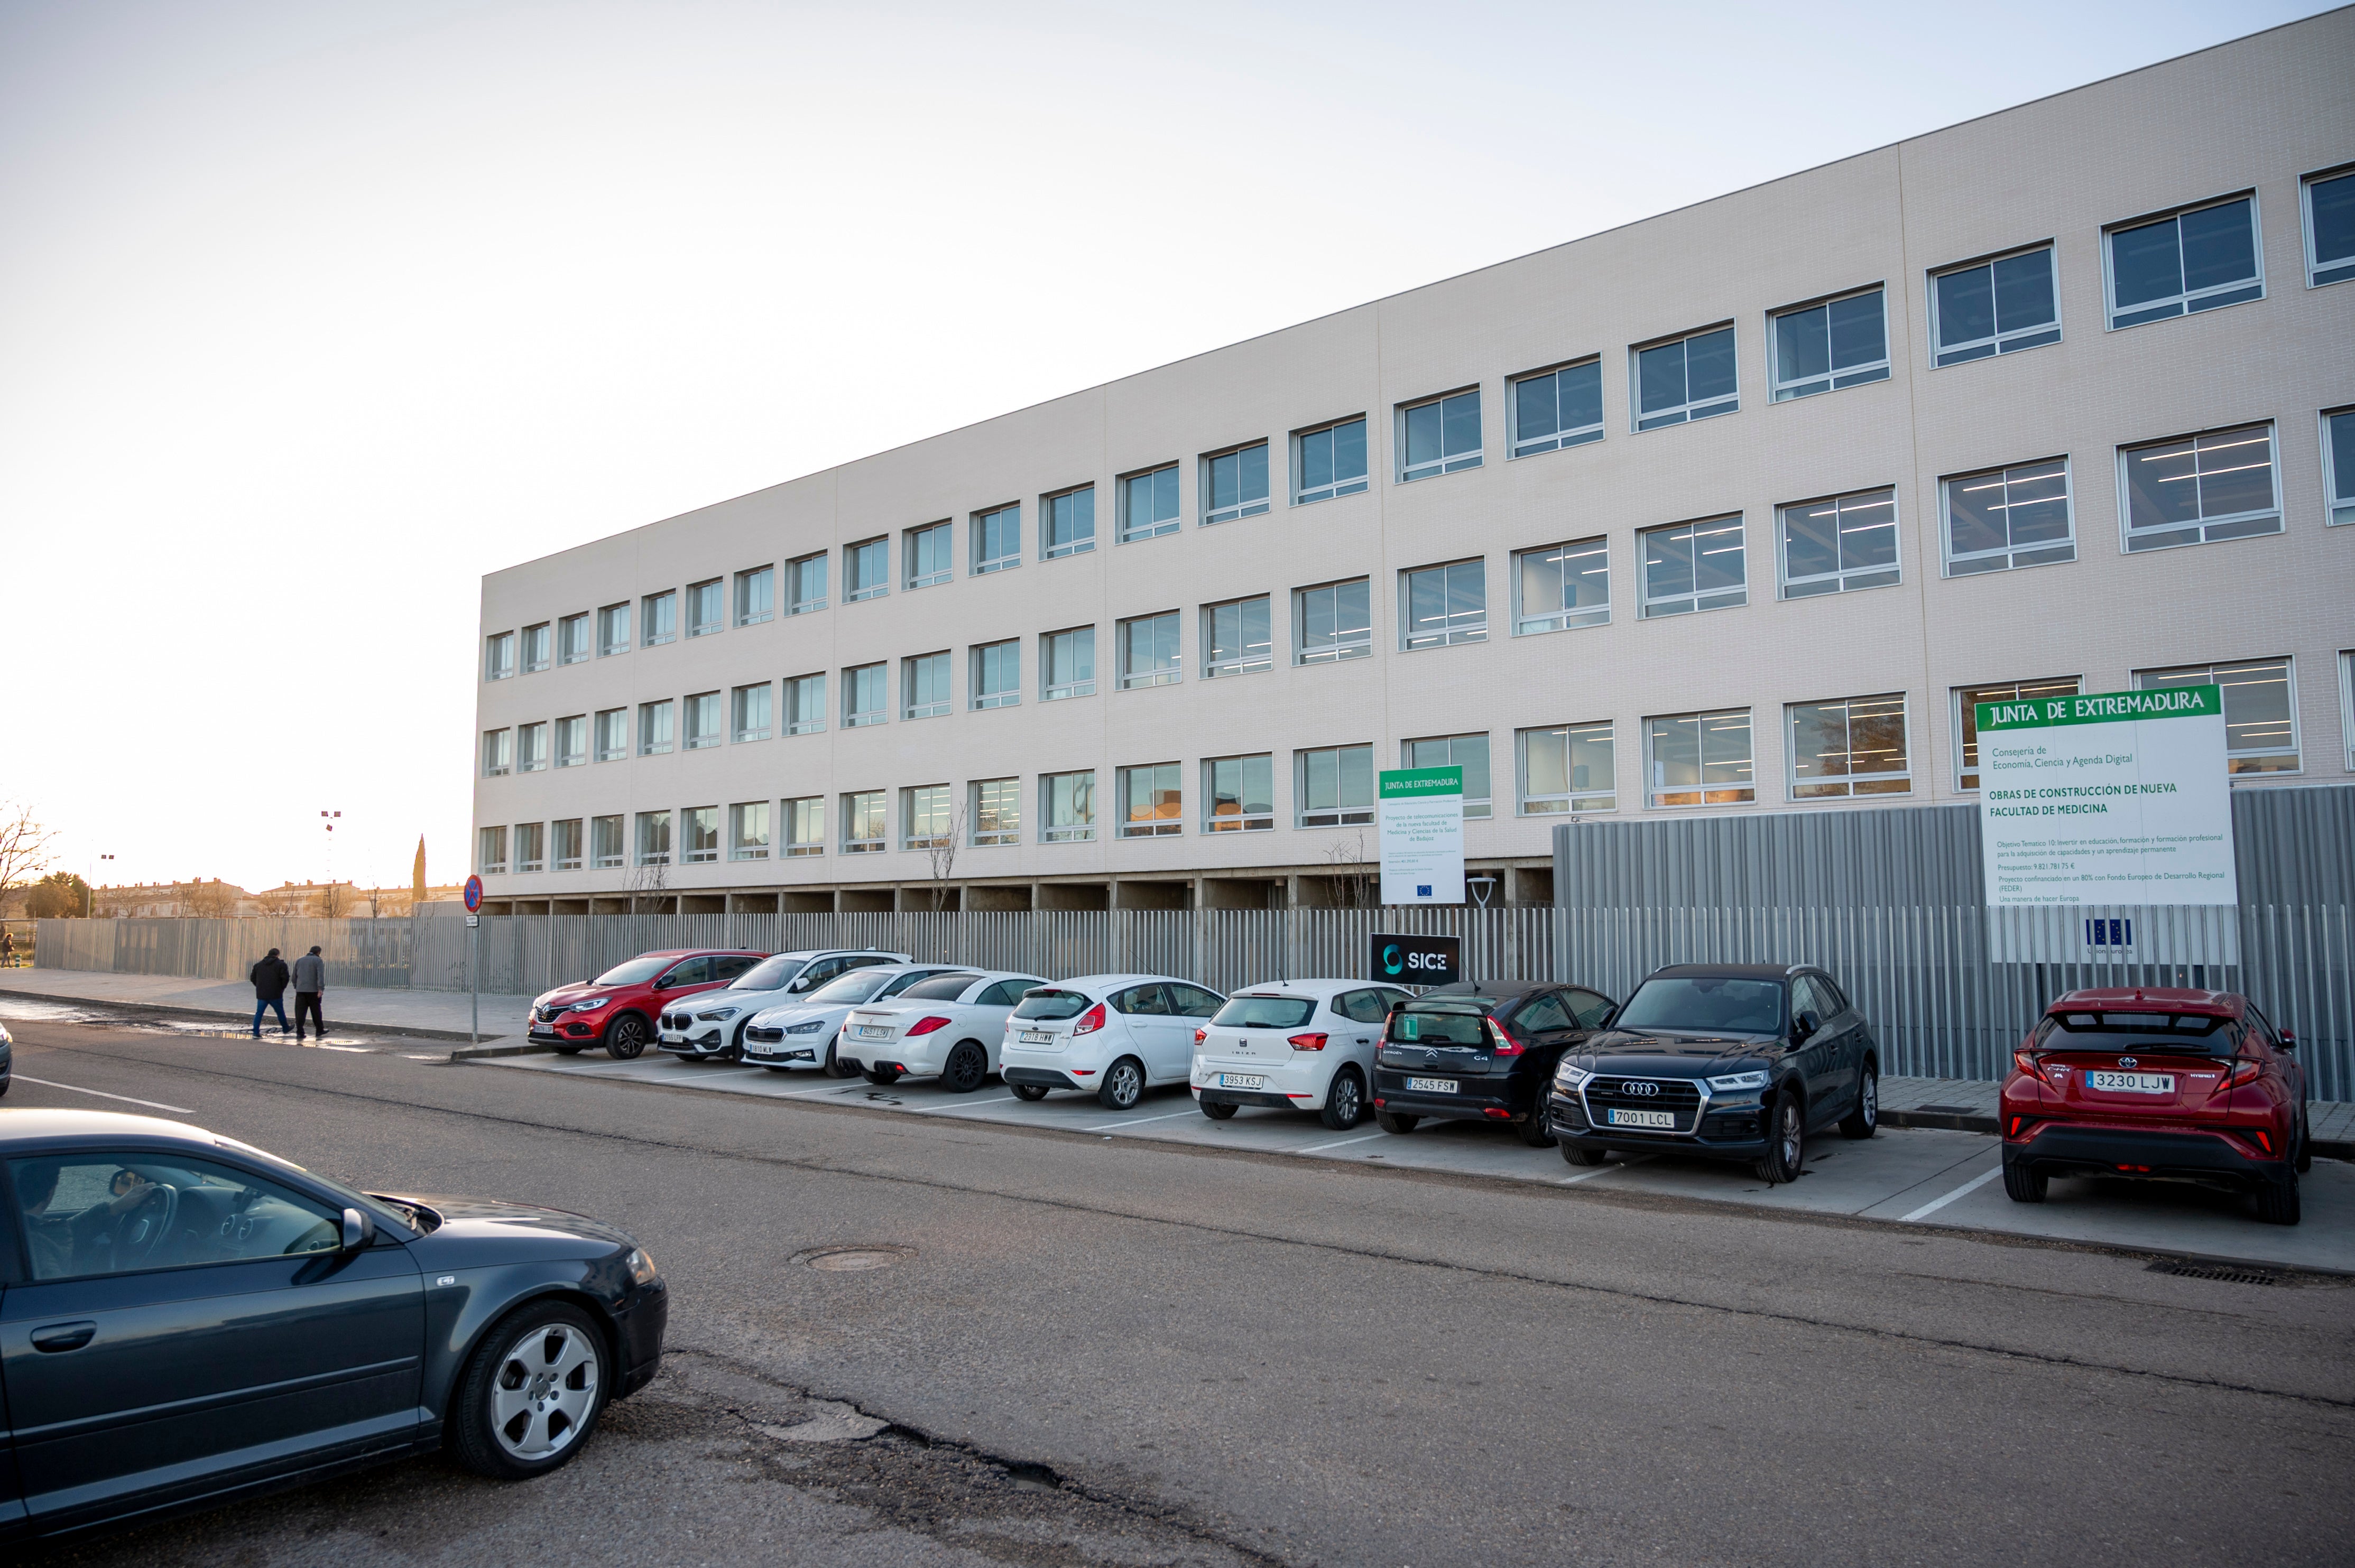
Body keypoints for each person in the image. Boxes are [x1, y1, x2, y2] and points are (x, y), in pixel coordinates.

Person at [14, 1158, 156, 1279]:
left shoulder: (17, 1228)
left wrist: (114, 1209)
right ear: (51, 1191)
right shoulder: (35, 1248)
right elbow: (62, 1297)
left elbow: (65, 1233)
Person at [250, 947, 291, 1036]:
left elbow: (253, 978)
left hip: (262, 994)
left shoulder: (258, 965)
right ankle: (285, 1028)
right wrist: (282, 988)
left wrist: (259, 986)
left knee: (259, 1013)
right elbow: (285, 978)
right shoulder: (281, 965)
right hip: (276, 994)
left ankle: (256, 1032)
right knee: (280, 1012)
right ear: (277, 955)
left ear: (268, 954)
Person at [292, 945, 328, 1041]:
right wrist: (321, 989)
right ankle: (319, 1030)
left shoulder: (300, 960)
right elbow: (320, 976)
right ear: (319, 953)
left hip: (300, 991)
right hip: (313, 991)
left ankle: (300, 1032)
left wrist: (296, 986)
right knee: (316, 1011)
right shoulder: (318, 961)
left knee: (300, 1012)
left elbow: (294, 976)